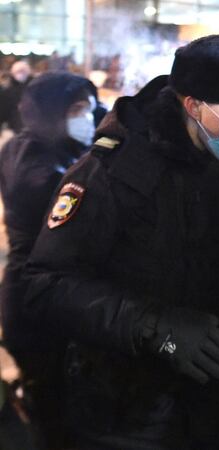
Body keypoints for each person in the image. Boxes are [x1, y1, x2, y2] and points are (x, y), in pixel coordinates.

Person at [23, 35, 219, 449]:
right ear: (193, 105)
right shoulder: (113, 171)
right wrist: (155, 326)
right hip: (138, 412)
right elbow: (46, 283)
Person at [0, 71, 96, 449]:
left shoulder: (26, 145)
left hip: (28, 293)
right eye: (77, 110)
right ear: (53, 113)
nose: (86, 117)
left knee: (49, 401)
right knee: (55, 411)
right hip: (38, 302)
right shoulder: (42, 170)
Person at [0, 60, 32, 133]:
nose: (20, 74)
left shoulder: (35, 89)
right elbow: (3, 110)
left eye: (22, 71)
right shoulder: (7, 92)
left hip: (32, 127)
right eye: (18, 71)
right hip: (14, 128)